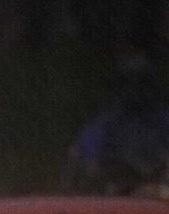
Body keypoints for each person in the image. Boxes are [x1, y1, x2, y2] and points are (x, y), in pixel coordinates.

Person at [66, 55, 169, 196]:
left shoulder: (163, 120)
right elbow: (88, 162)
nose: (135, 89)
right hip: (114, 194)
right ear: (120, 87)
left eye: (142, 84)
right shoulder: (105, 123)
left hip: (158, 194)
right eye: (130, 83)